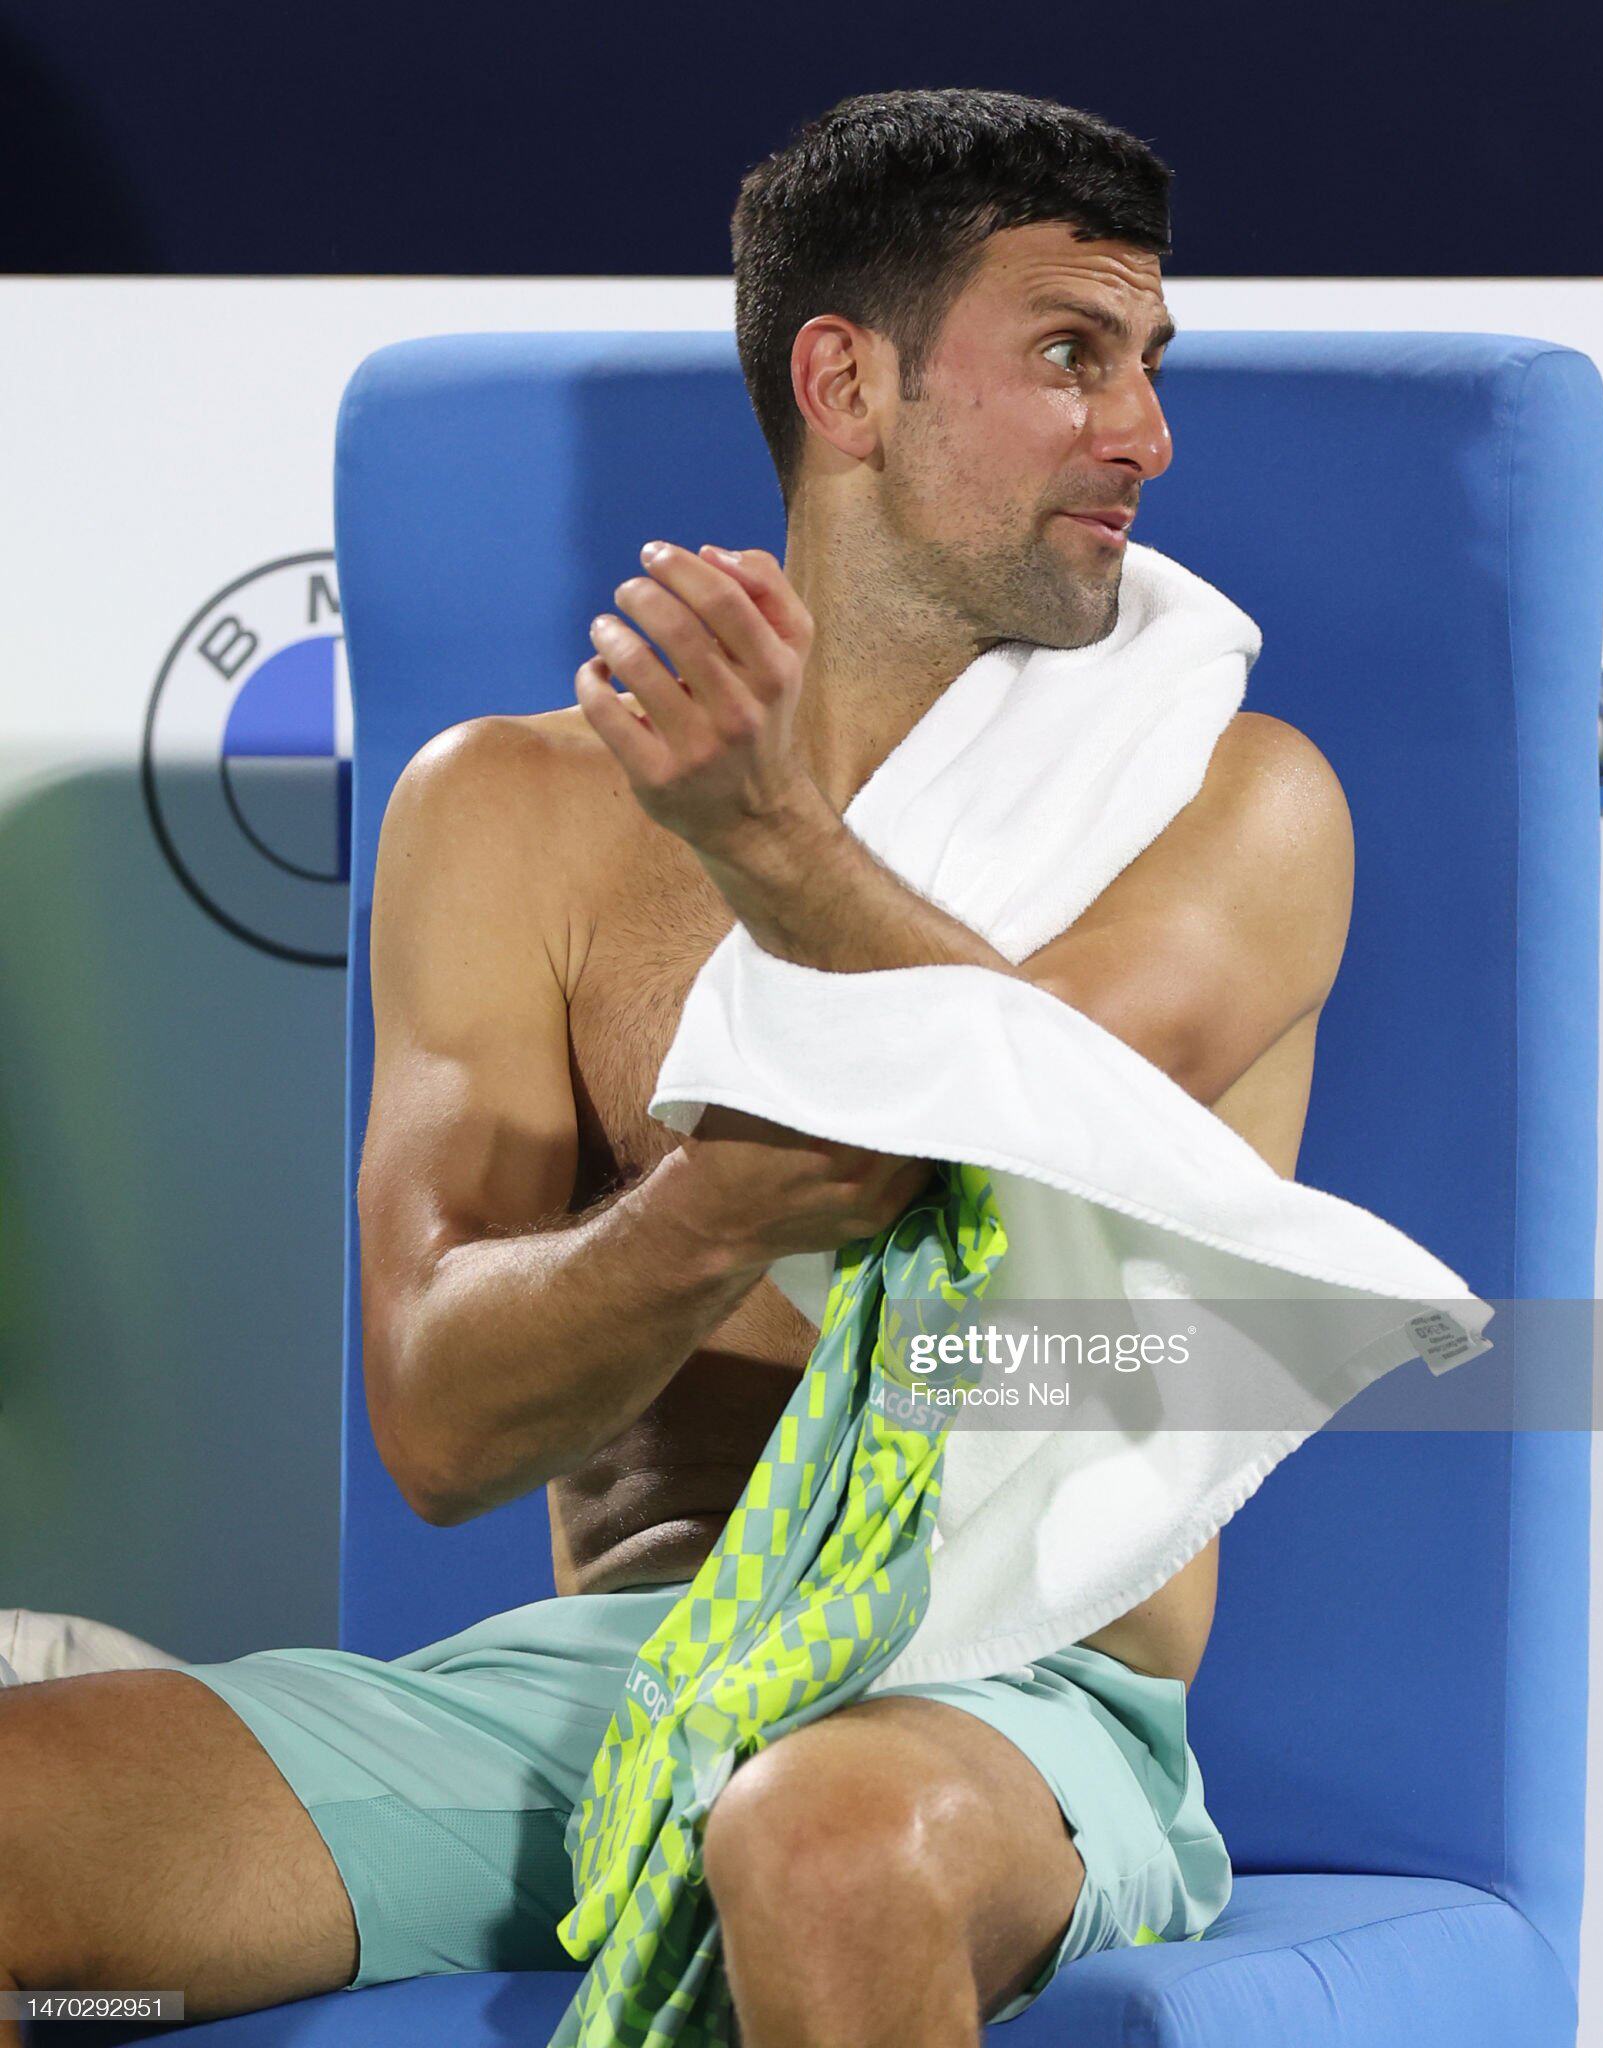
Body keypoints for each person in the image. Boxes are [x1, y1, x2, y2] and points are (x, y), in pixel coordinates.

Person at [0, 86, 1354, 2047]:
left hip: (1011, 1698)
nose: (1144, 430)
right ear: (847, 381)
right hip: (604, 1682)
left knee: (814, 1834)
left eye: (1152, 360)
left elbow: (1022, 1121)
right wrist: (711, 1210)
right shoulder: (507, 812)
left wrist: (772, 846)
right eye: (1075, 353)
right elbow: (445, 1430)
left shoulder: (1235, 799)